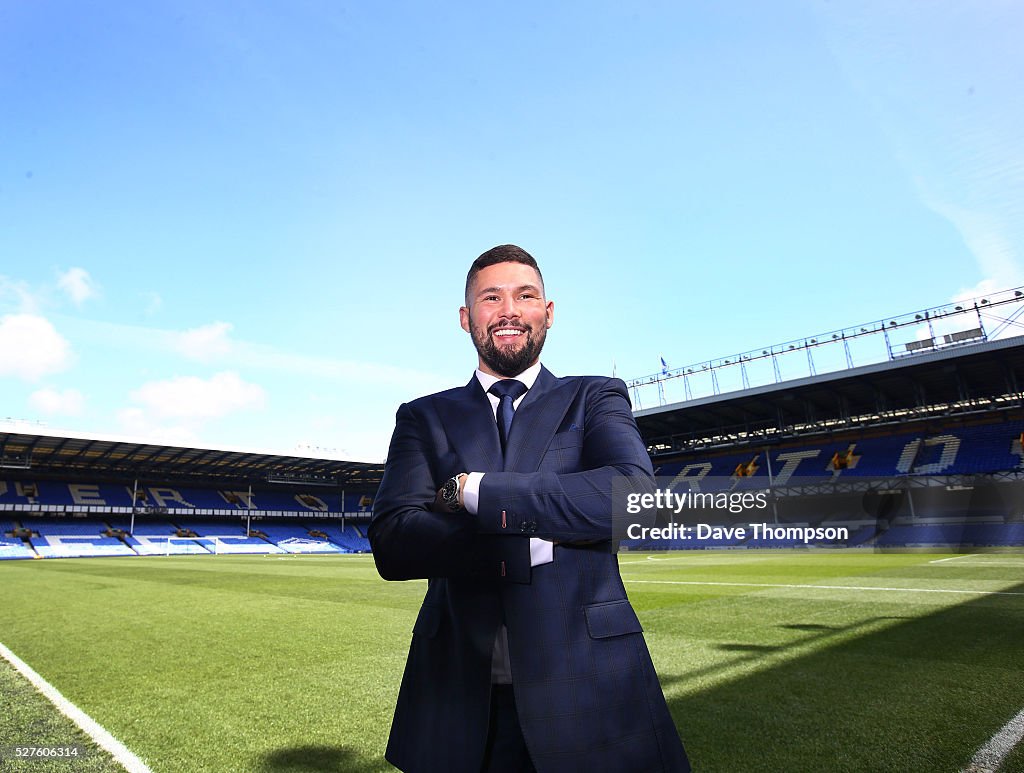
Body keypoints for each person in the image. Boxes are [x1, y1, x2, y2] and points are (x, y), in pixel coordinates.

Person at [369, 245, 690, 773]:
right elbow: (393, 540)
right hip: (461, 696)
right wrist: (526, 540)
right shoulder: (423, 416)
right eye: (491, 298)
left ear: (549, 312)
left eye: (526, 295)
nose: (510, 310)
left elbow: (632, 498)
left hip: (591, 687)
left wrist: (472, 491)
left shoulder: (595, 397)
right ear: (466, 318)